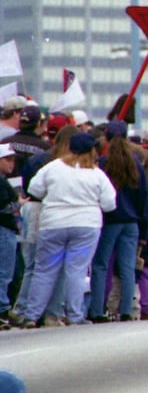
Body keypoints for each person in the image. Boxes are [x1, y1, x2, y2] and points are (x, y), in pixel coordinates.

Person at [19, 132, 116, 327]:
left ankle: (32, 314)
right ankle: (74, 315)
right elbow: (109, 204)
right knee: (76, 270)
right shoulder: (97, 174)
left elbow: (34, 189)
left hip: (53, 224)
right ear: (92, 151)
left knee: (44, 269)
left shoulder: (53, 168)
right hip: (86, 226)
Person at [87, 127, 148, 323]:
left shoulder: (103, 164)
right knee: (127, 266)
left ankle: (97, 309)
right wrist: (144, 228)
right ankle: (126, 310)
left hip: (109, 220)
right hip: (131, 221)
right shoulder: (136, 164)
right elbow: (143, 199)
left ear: (105, 138)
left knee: (101, 265)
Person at [0, 145, 18, 326]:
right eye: (7, 159)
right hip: (4, 228)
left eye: (13, 159)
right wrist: (17, 204)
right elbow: (4, 207)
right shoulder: (1, 182)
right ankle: (2, 309)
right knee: (4, 272)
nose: (12, 163)